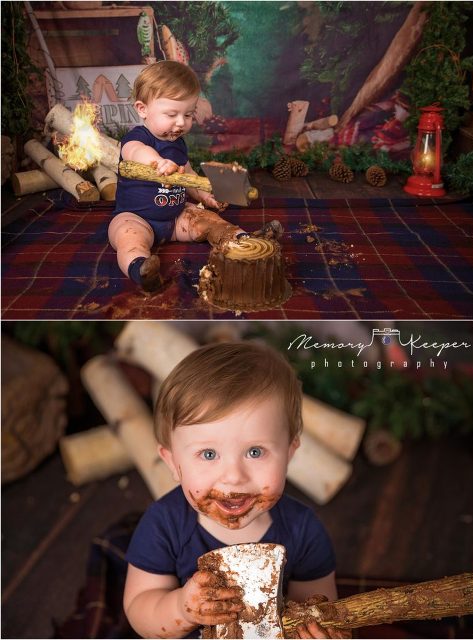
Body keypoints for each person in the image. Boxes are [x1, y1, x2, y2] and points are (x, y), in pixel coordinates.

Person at [123, 341, 350, 639]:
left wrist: (316, 630)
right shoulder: (163, 525)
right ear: (173, 462)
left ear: (290, 452)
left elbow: (319, 604)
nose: (233, 477)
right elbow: (140, 610)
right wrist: (181, 609)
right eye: (208, 454)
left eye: (255, 452)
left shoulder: (303, 530)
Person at [109, 61, 249, 292]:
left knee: (211, 220)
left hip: (176, 219)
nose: (181, 123)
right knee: (127, 237)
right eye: (172, 114)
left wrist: (206, 196)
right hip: (137, 217)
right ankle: (141, 270)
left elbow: (190, 176)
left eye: (188, 114)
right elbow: (134, 153)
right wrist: (157, 162)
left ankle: (244, 241)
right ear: (143, 109)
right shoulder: (138, 139)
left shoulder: (178, 144)